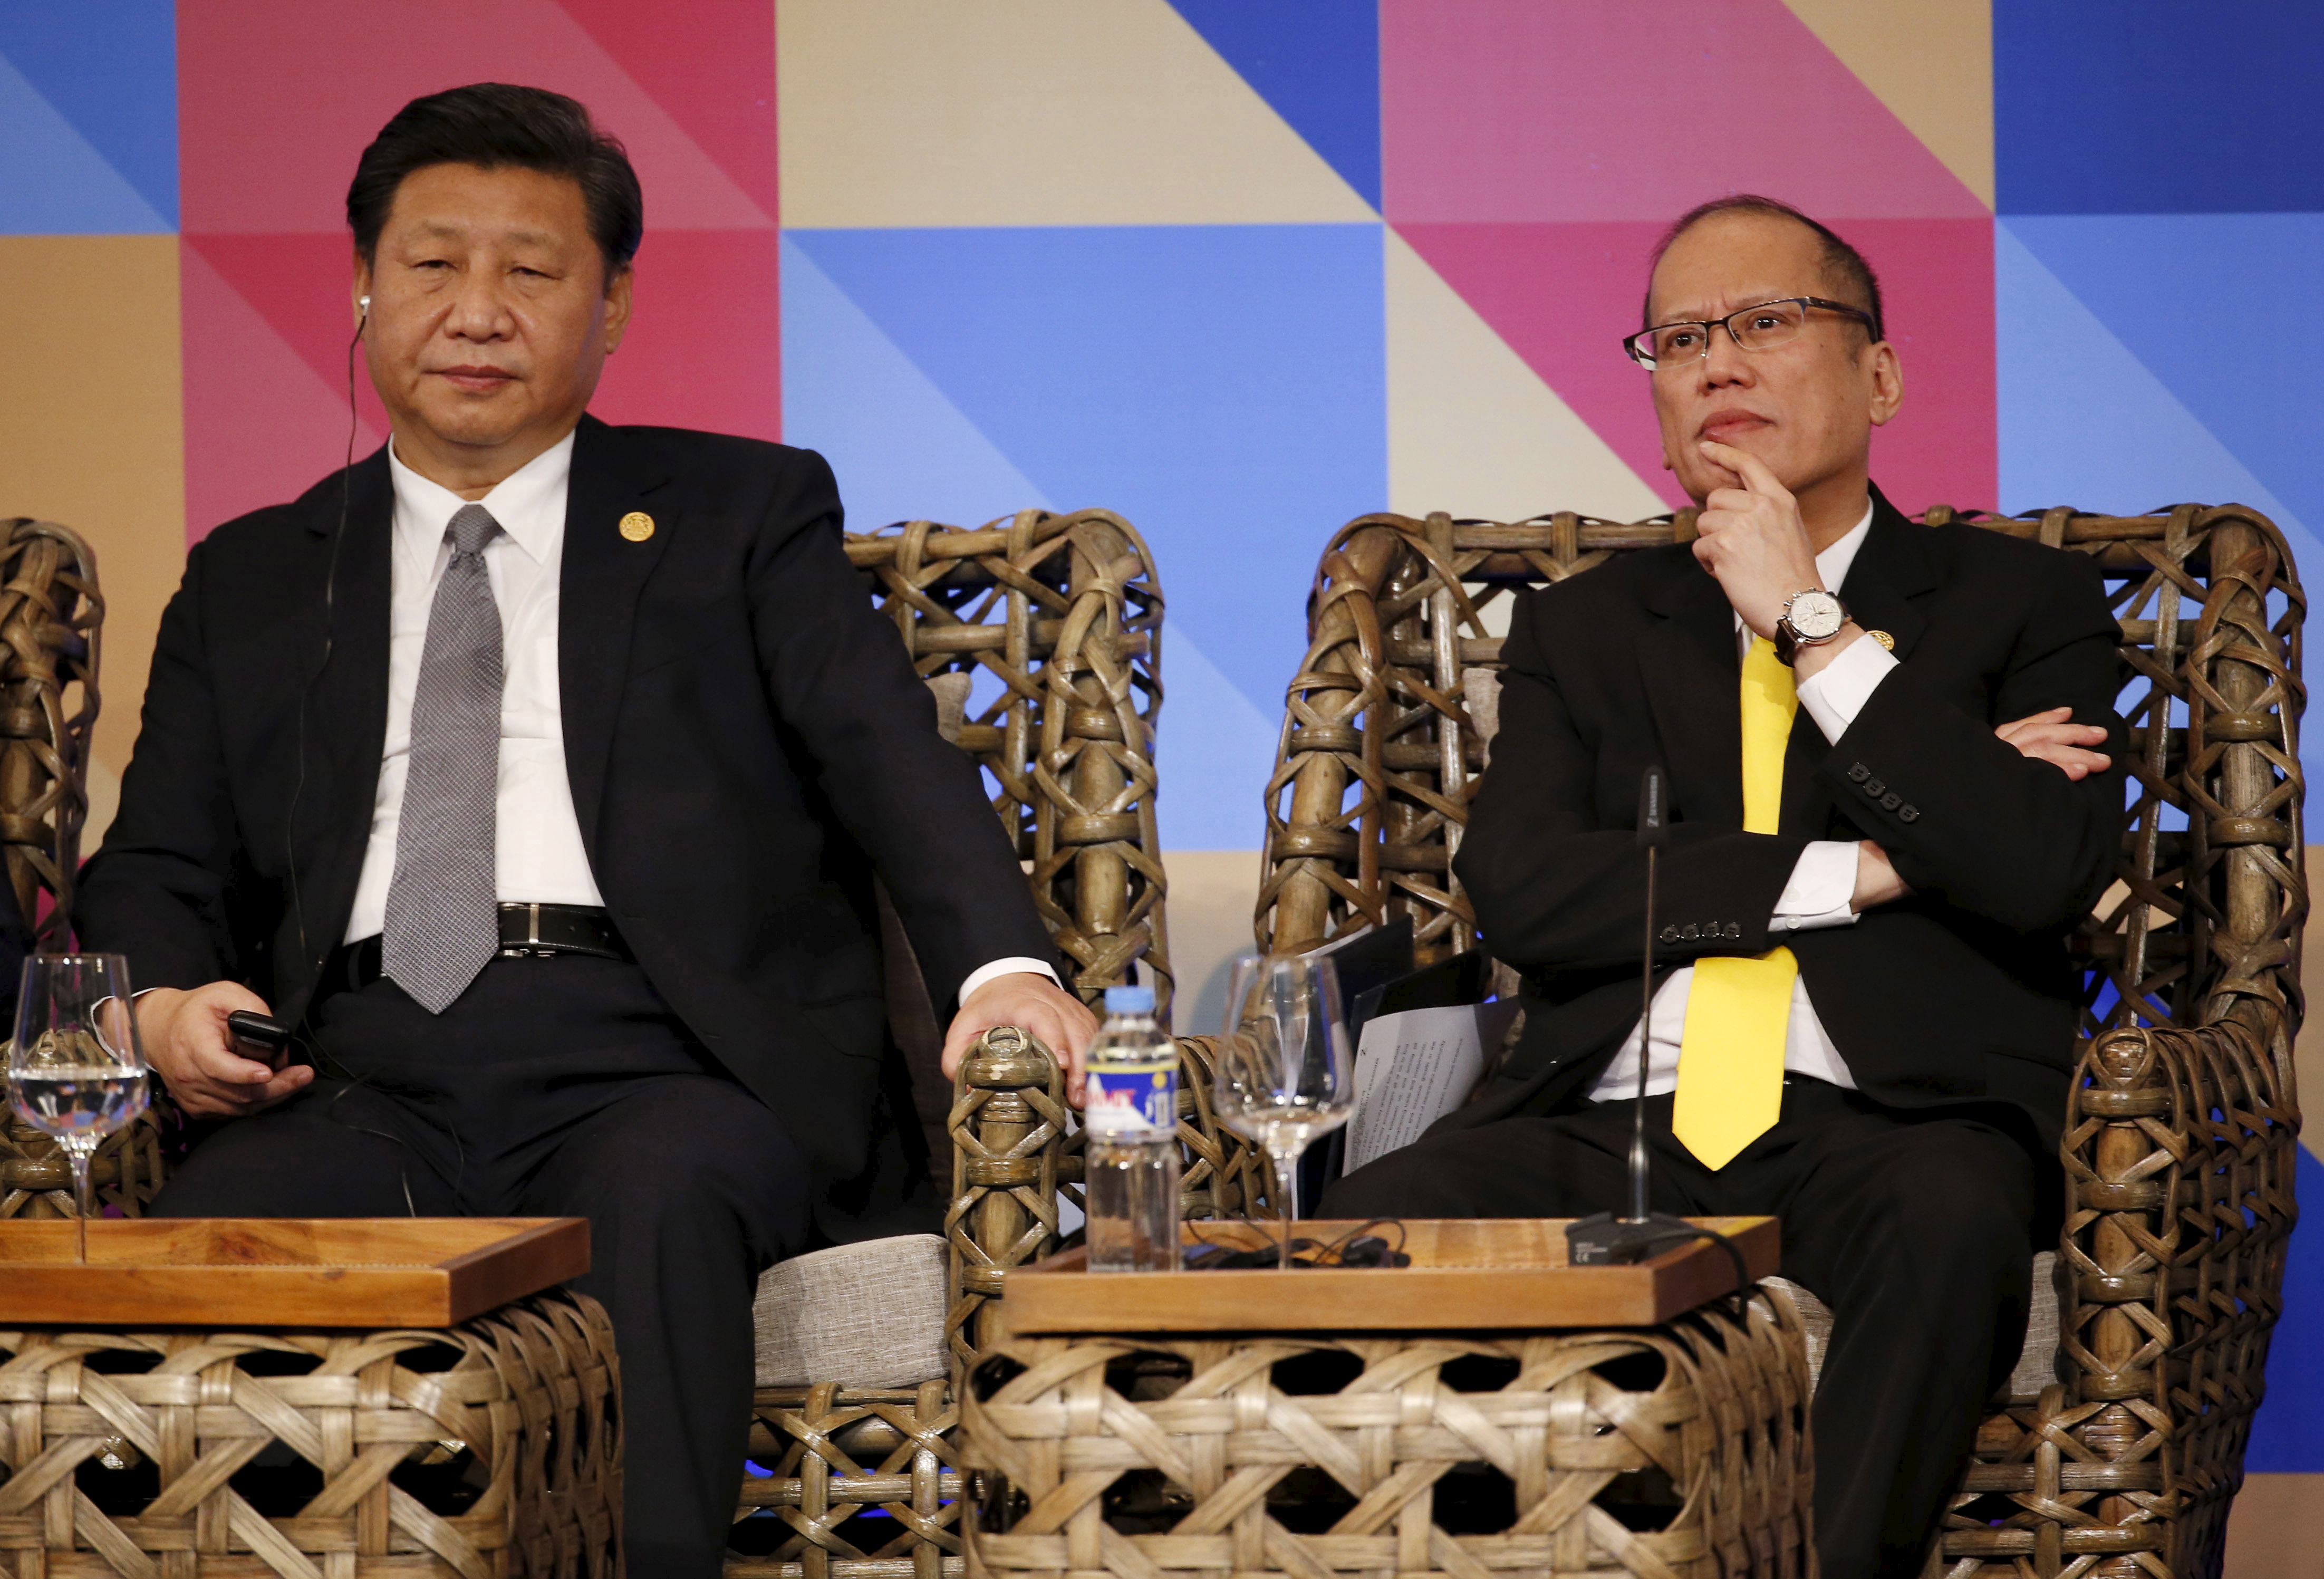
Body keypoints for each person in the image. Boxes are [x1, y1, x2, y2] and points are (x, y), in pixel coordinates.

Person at [77, 83, 1098, 1579]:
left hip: (665, 1059)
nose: (476, 311)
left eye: (531, 270)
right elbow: (157, 860)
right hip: (355, 1070)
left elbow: (892, 758)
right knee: (215, 1243)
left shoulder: (740, 514)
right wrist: (163, 1006)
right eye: (434, 264)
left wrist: (1003, 970)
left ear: (611, 305)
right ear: (364, 286)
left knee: (666, 1205)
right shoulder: (256, 573)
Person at [1320, 195, 2126, 1577]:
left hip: (1902, 1121)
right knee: (1361, 1233)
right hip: (1610, 1119)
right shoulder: (1586, 625)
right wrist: (1879, 863)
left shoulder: (2022, 604)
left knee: (1953, 1221)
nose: (1719, 362)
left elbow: (2038, 865)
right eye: (1682, 338)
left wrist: (1813, 624)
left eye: (1766, 322)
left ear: (1880, 375)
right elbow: (1529, 891)